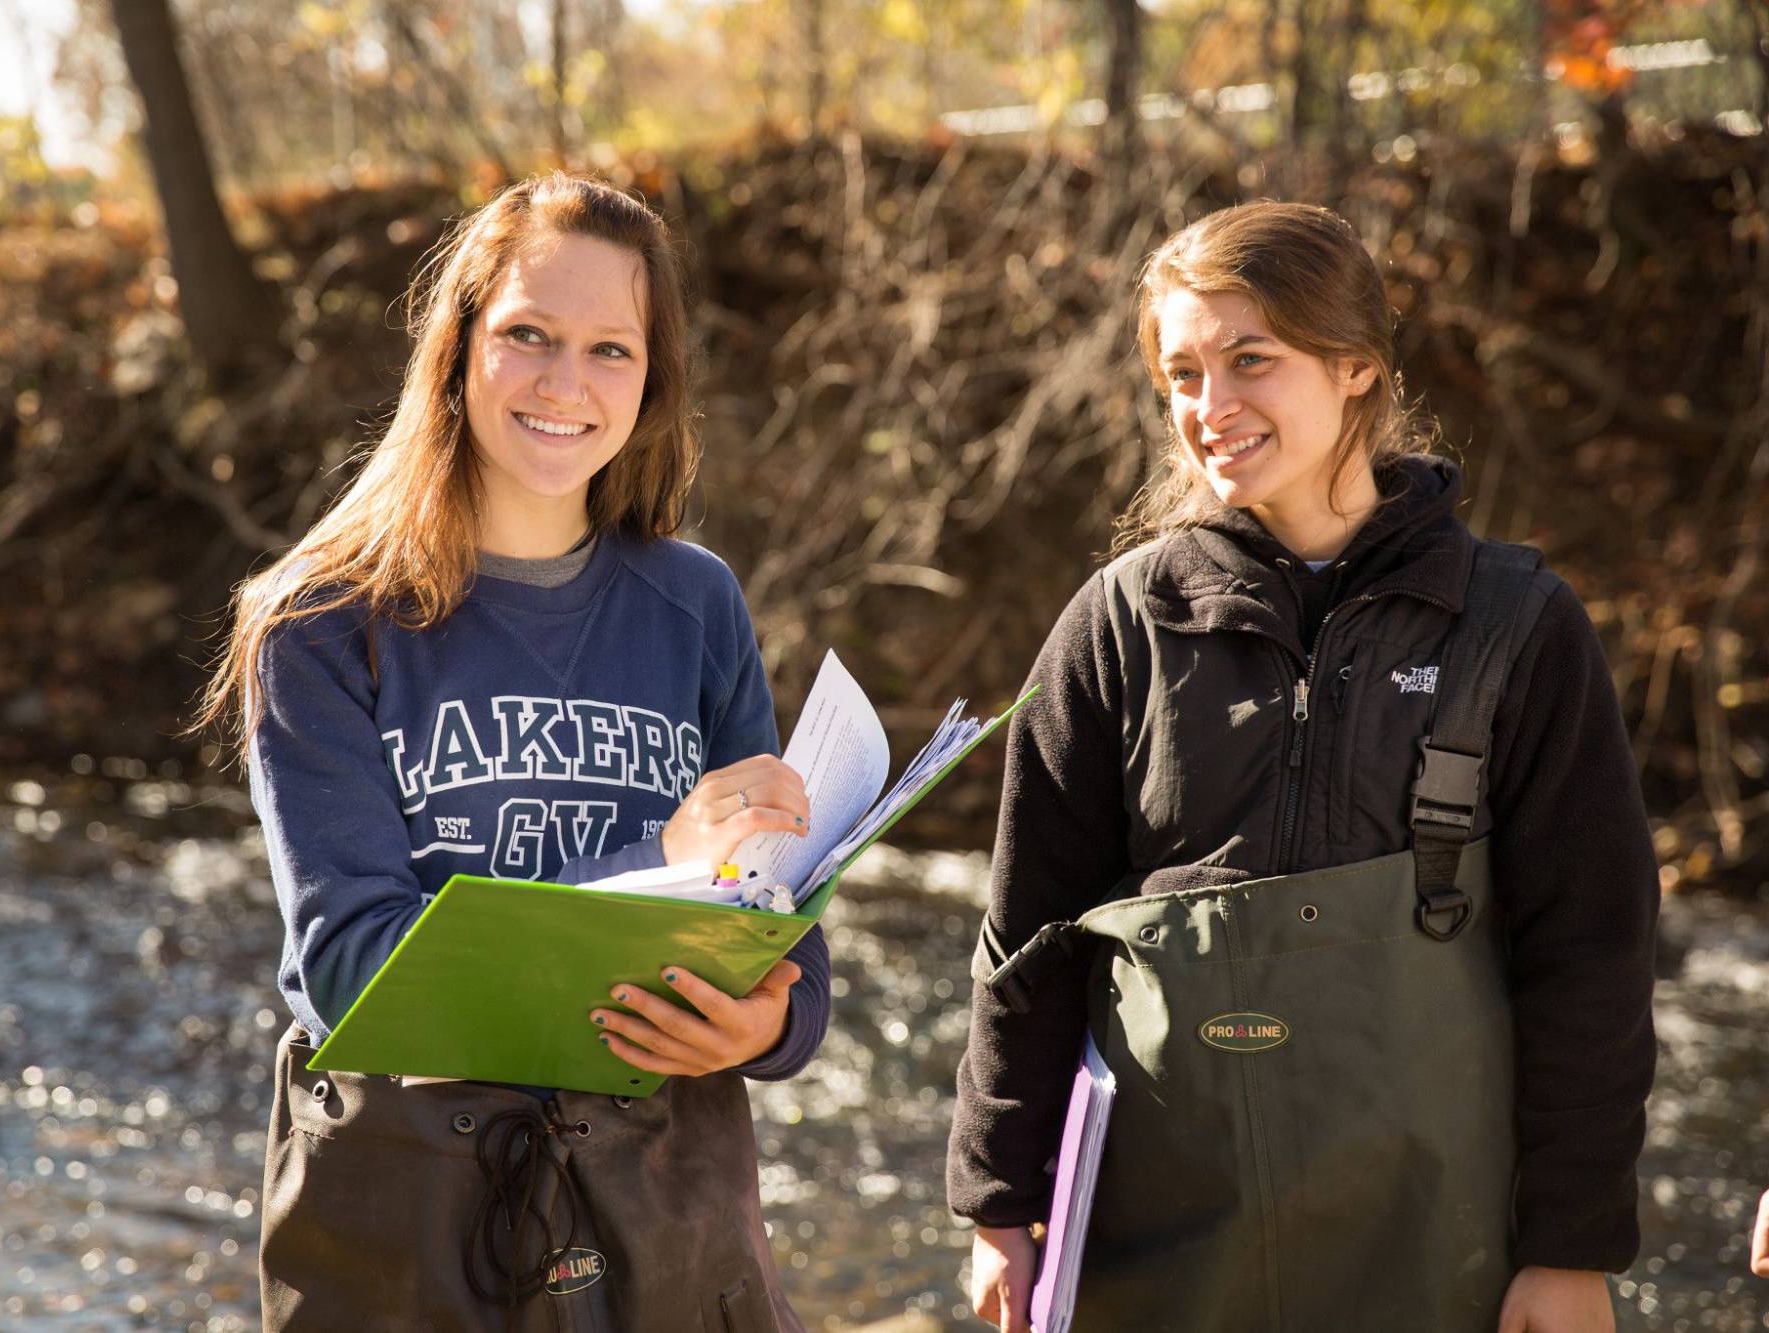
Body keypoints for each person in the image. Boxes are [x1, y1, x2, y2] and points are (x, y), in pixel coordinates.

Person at [946, 201, 1657, 1332]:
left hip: (1436, 1248)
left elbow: (1592, 958)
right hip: (1154, 1245)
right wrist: (997, 1205)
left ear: (1356, 369)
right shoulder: (1115, 625)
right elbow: (1025, 935)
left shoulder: (1517, 625)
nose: (1207, 408)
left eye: (1248, 362)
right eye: (1180, 373)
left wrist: (1571, 1247)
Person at [195, 174, 826, 1331]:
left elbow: (786, 935)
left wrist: (772, 1024)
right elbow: (358, 975)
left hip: (670, 1215)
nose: (564, 384)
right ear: (457, 349)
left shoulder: (696, 602)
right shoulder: (319, 619)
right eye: (527, 335)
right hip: (411, 1225)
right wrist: (655, 858)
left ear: (653, 377)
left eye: (608, 349)